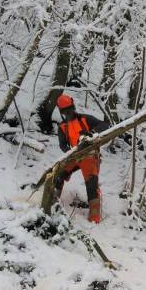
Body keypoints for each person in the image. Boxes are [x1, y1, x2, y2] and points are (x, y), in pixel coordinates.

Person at [54, 93, 109, 223]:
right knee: (58, 174)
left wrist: (92, 133)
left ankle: (94, 216)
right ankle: (53, 201)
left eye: (70, 109)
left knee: (91, 183)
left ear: (73, 107)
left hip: (89, 155)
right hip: (74, 155)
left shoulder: (85, 119)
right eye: (66, 111)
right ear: (62, 112)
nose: (69, 113)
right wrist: (69, 152)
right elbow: (62, 145)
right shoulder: (62, 127)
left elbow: (104, 125)